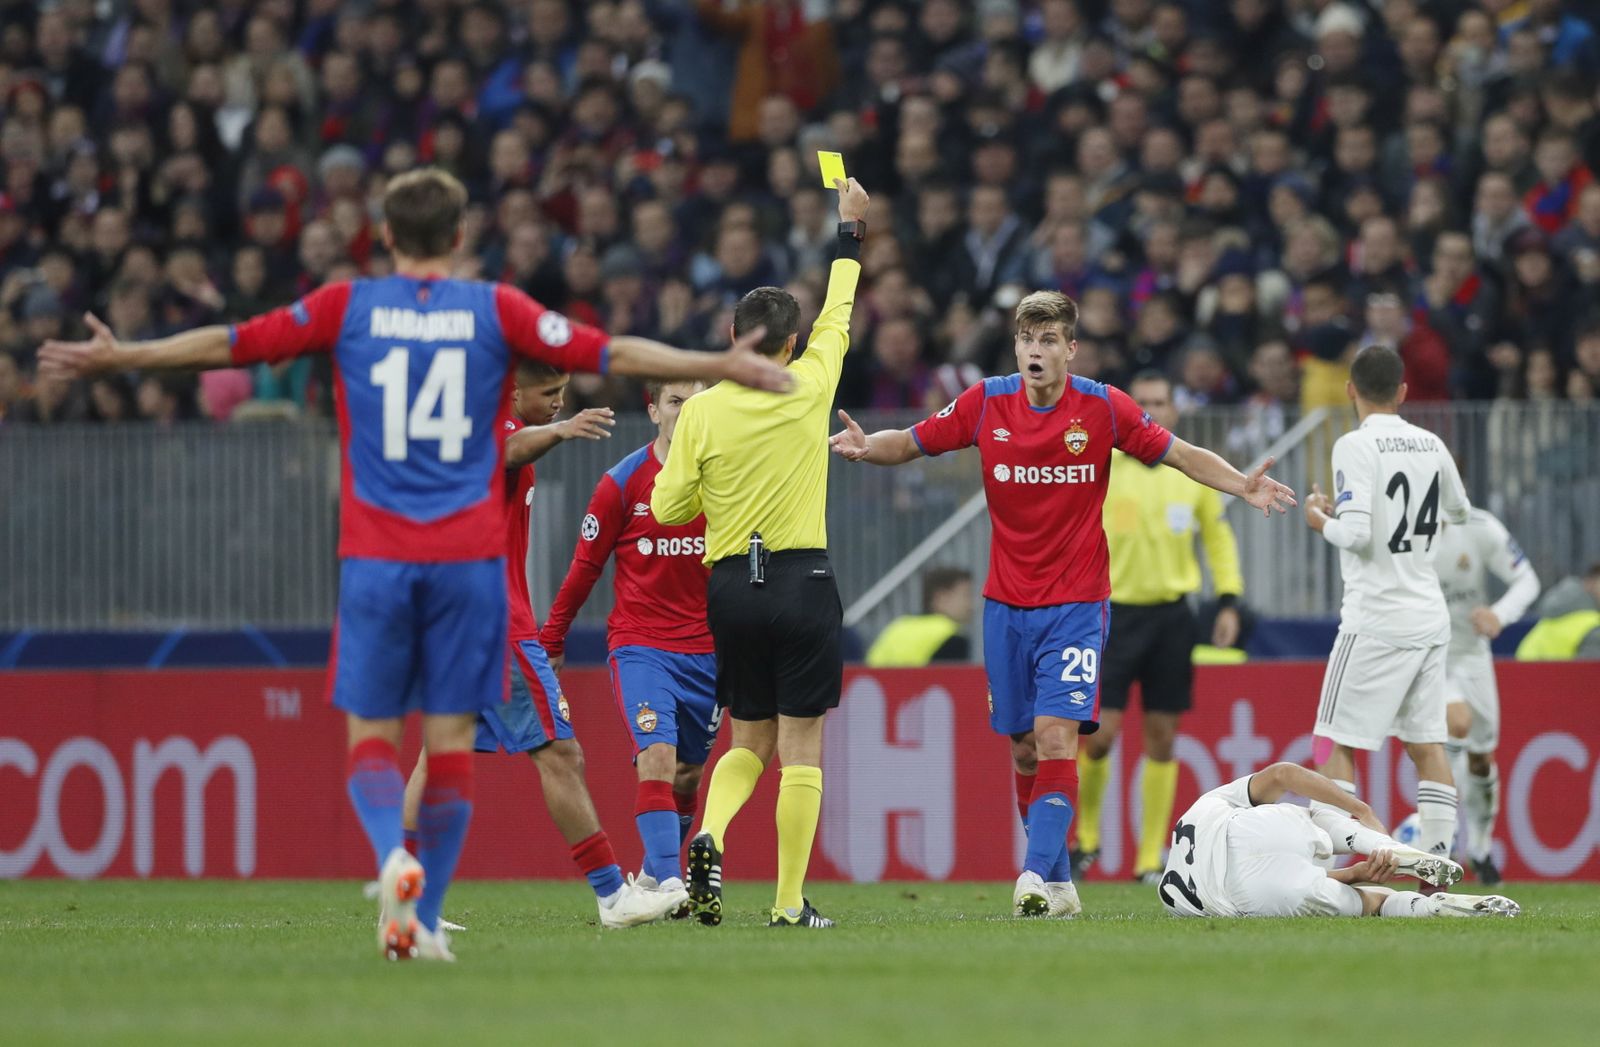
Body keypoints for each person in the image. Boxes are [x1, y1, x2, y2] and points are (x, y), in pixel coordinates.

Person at [36, 168, 791, 962]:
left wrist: (125, 357)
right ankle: (535, 896)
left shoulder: (346, 306)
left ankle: (399, 869)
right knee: (461, 741)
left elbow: (233, 342)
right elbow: (612, 347)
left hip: (372, 559)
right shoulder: (493, 311)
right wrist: (725, 362)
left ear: (384, 238)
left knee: (381, 736)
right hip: (466, 569)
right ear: (461, 236)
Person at [830, 289, 1295, 919]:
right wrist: (867, 447)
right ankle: (1059, 881)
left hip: (1077, 604)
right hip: (1005, 607)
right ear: (1016, 347)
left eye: (1050, 340)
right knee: (1023, 747)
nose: (1037, 351)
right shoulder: (984, 403)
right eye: (1028, 339)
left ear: (1070, 350)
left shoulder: (1103, 408)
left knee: (1056, 739)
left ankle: (1031, 877)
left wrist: (1240, 483)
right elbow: (912, 442)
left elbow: (1180, 454)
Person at [652, 176, 872, 930]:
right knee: (801, 742)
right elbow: (840, 308)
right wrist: (850, 231)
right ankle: (785, 902)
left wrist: (719, 490)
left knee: (748, 736)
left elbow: (665, 507)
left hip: (730, 587)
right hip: (801, 579)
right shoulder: (811, 382)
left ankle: (709, 832)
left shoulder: (704, 409)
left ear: (731, 340)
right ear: (791, 343)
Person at [400, 360, 688, 931]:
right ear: (510, 390)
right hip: (493, 623)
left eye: (562, 393)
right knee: (560, 753)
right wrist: (557, 432)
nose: (559, 401)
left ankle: (404, 898)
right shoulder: (495, 433)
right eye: (548, 393)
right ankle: (612, 895)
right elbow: (512, 450)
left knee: (439, 756)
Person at [539, 378, 718, 901]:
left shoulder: (727, 479)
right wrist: (552, 638)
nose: (686, 412)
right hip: (642, 646)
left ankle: (649, 873)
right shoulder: (622, 483)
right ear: (654, 411)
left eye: (697, 402)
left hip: (710, 651)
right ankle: (668, 883)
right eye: (675, 402)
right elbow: (584, 568)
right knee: (656, 754)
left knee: (687, 773)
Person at [1301, 344, 1472, 864]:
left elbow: (1354, 536)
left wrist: (1318, 519)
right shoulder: (1430, 443)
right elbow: (1459, 511)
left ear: (1351, 390)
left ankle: (1333, 859)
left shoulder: (1354, 446)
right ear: (1402, 391)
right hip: (1429, 616)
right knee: (1426, 745)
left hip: (1376, 618)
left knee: (1332, 740)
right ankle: (1438, 864)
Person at [1074, 370, 1246, 884]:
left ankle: (1150, 858)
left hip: (1173, 614)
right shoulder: (1105, 465)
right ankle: (1085, 841)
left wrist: (1229, 600)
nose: (1151, 408)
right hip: (1113, 613)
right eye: (1142, 401)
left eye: (1160, 401)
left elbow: (1217, 540)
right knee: (1100, 735)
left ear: (1174, 409)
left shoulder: (1189, 470)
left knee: (1163, 737)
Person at [1158, 761, 1519, 919]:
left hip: (1245, 897)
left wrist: (1359, 875)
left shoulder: (1169, 889)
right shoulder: (1207, 805)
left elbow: (1280, 873)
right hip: (1253, 831)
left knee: (1376, 903)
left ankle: (1433, 907)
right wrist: (1359, 808)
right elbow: (1283, 774)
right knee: (1314, 816)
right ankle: (1385, 845)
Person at [1435, 509, 1541, 884]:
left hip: (1472, 656)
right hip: (1429, 655)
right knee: (1455, 724)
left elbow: (1528, 580)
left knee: (1481, 759)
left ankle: (1479, 847)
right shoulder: (1401, 532)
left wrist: (1499, 613)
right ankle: (1442, 841)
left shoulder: (1479, 528)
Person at [864, 566, 976, 667]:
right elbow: (950, 685)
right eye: (966, 595)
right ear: (941, 598)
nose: (972, 605)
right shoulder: (952, 637)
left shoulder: (898, 626)